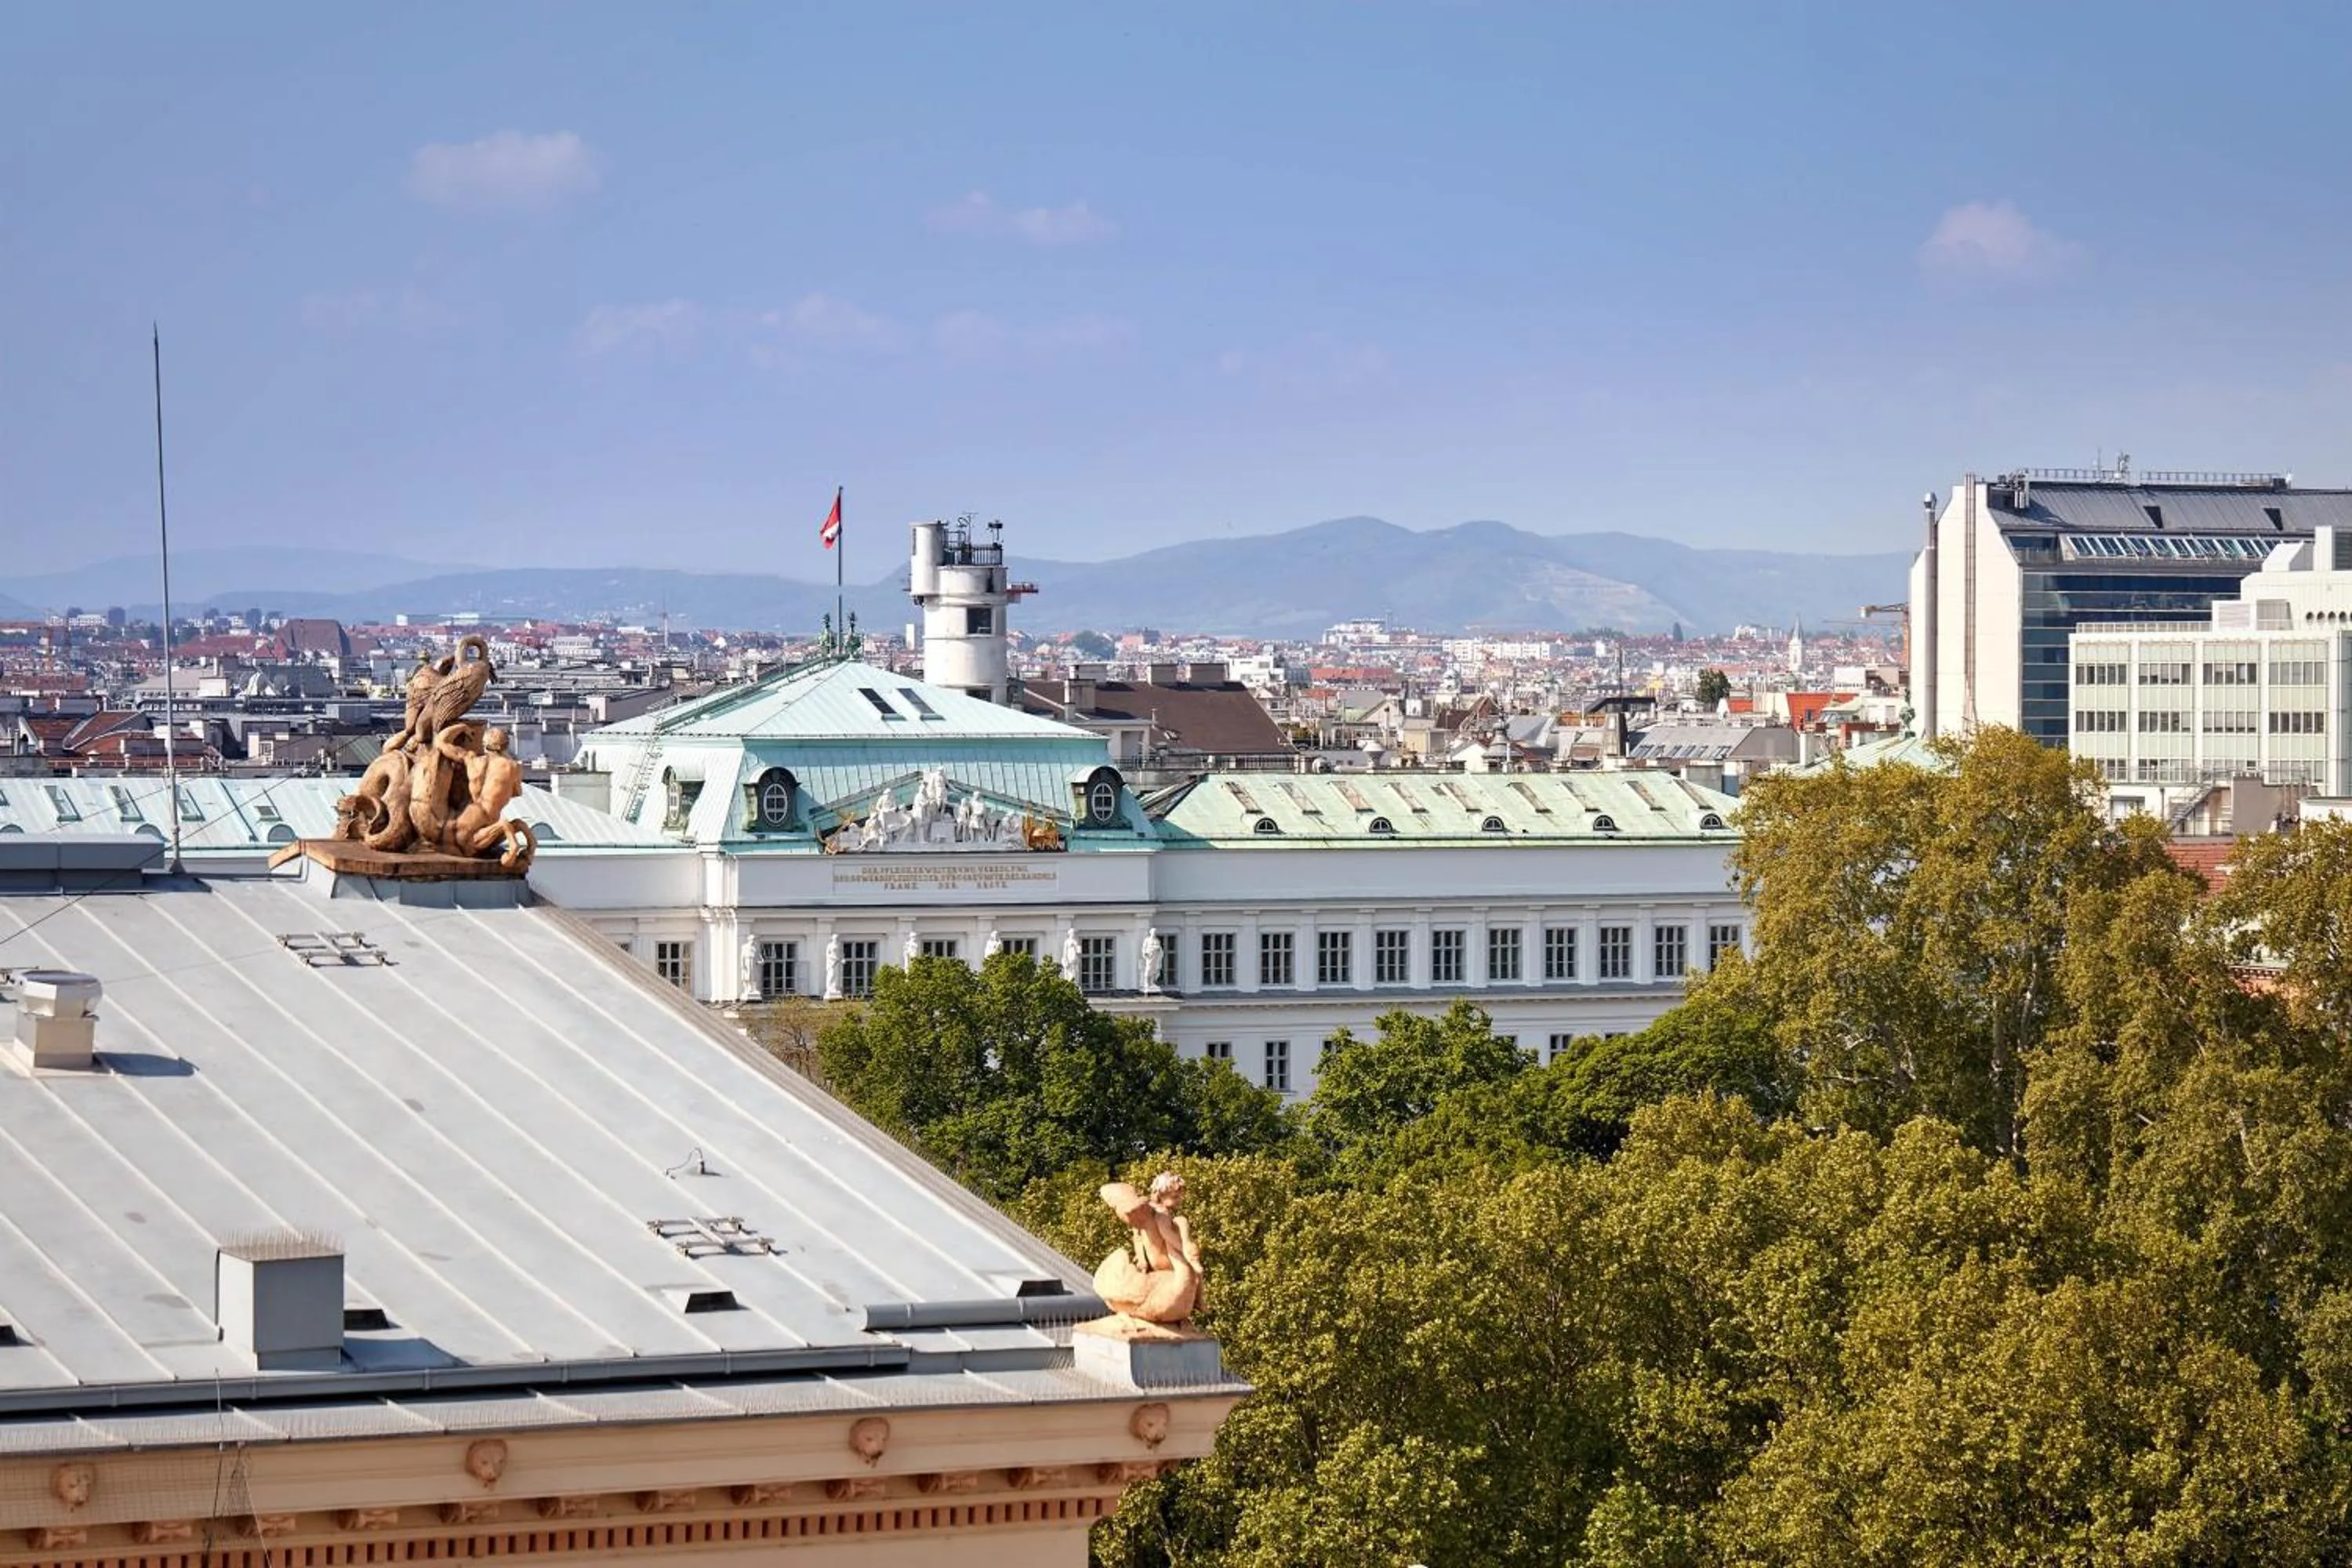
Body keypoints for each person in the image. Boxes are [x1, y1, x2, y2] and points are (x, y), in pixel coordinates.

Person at [1092, 1172, 1201, 1328]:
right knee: (1188, 1274)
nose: (1180, 1200)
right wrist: (1185, 1251)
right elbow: (1157, 1236)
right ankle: (1198, 1302)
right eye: (1176, 1196)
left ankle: (1192, 1305)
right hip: (1161, 1262)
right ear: (1161, 1194)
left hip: (1166, 1265)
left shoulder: (1162, 1213)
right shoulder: (1161, 1215)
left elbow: (1139, 1235)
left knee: (1189, 1278)